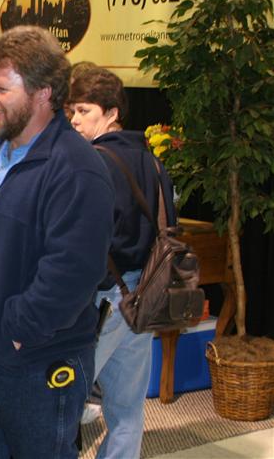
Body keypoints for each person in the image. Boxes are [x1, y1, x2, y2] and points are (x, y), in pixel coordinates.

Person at [0, 25, 115, 458]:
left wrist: (19, 329)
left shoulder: (76, 168)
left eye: (2, 87)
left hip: (36, 363)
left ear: (43, 93)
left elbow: (74, 269)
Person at [68, 68, 177, 459]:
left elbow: (83, 239)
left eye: (84, 111)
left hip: (105, 299)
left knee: (62, 401)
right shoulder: (153, 162)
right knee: (127, 410)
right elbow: (169, 226)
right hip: (145, 295)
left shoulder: (93, 163)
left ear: (112, 113)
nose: (75, 120)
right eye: (72, 111)